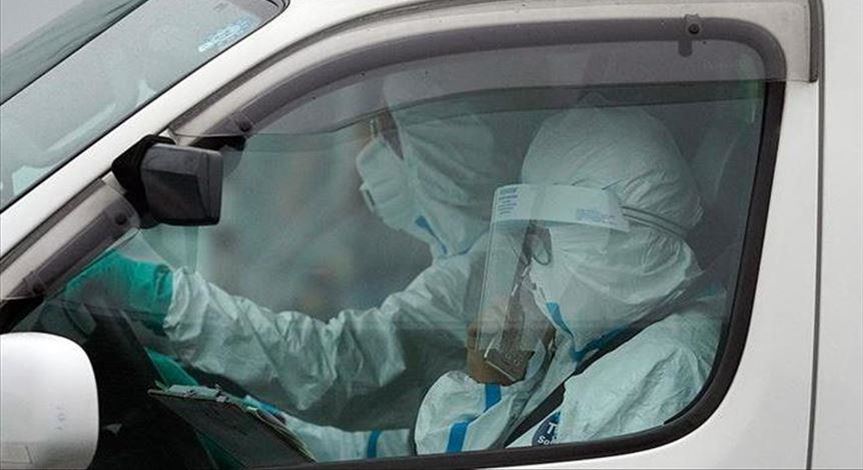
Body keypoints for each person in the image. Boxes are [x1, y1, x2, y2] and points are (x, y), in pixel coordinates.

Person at [61, 96, 526, 441]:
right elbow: (394, 435)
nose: (368, 155)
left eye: (386, 135)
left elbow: (341, 372)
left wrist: (168, 301)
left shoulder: (485, 277)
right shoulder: (473, 258)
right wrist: (255, 425)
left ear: (441, 154)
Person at [413, 95, 725, 453]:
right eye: (531, 240)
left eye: (545, 239)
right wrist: (496, 380)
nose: (530, 270)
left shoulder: (667, 366)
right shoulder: (595, 336)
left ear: (615, 242)